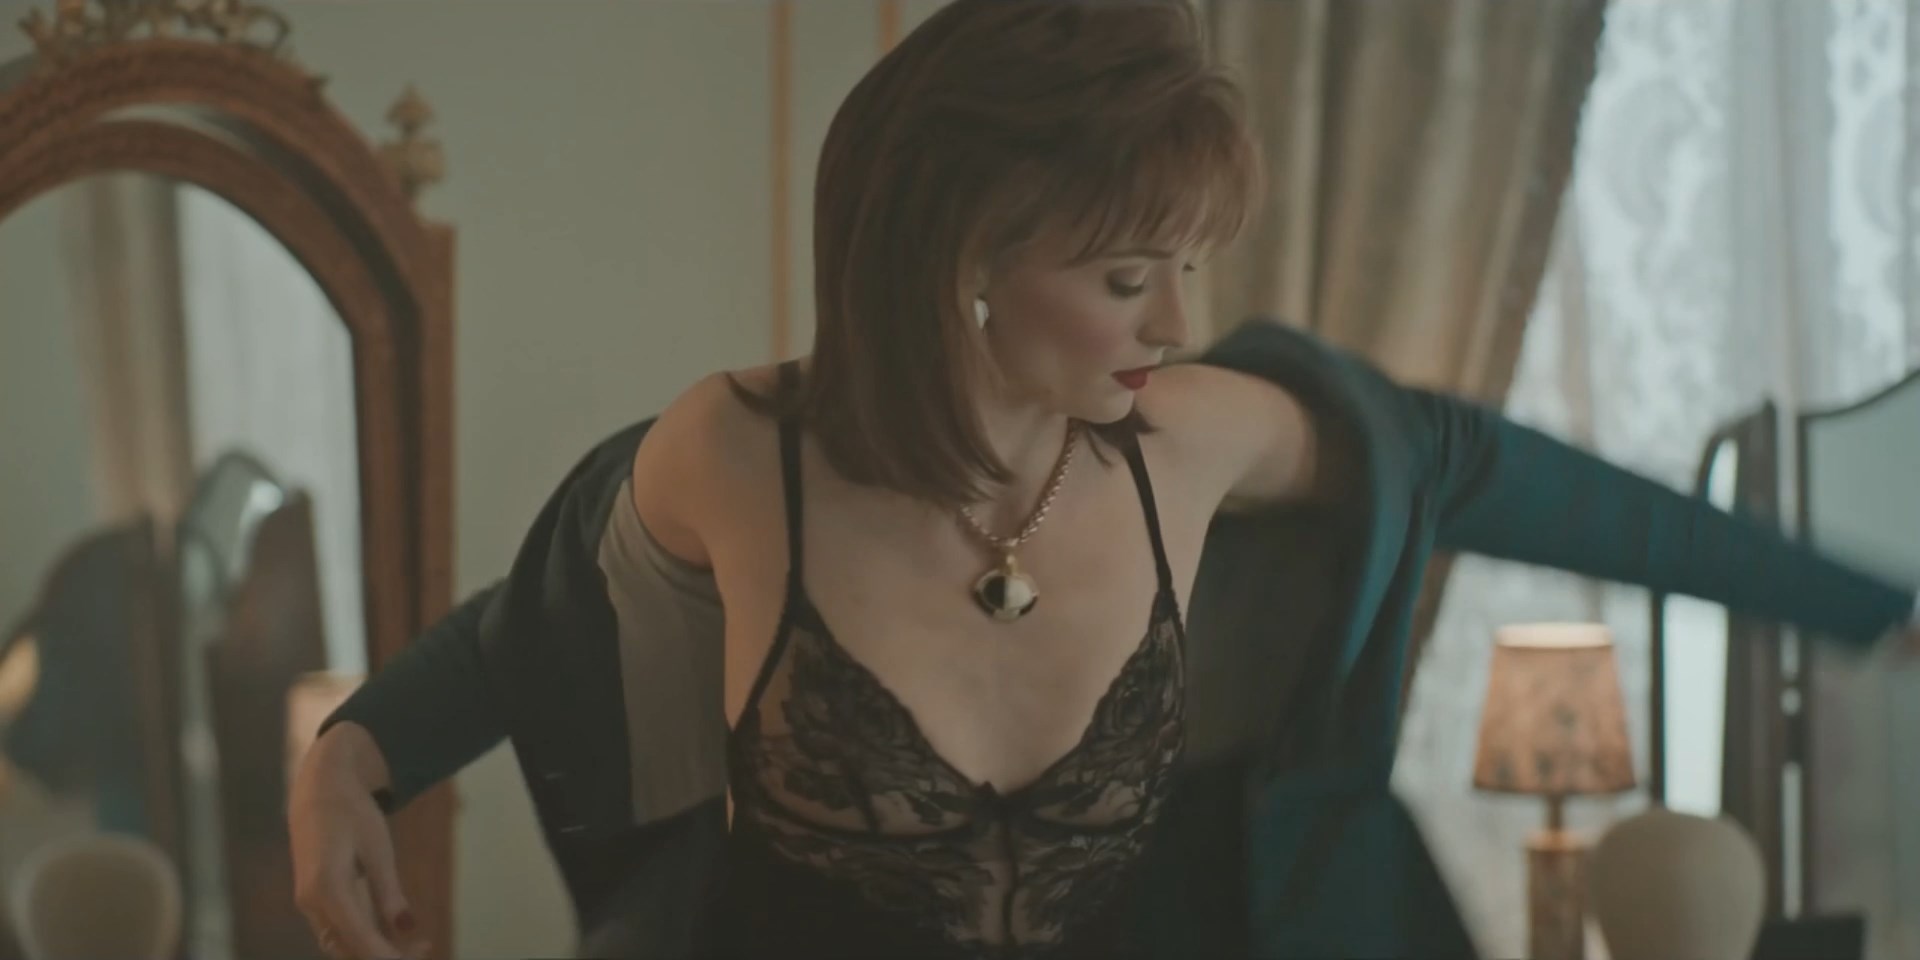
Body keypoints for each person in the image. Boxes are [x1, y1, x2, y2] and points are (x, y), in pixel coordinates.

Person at [288, 2, 1920, 958]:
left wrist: (1867, 606)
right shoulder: (736, 451)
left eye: (1190, 267)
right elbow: (538, 624)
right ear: (964, 260)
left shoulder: (1193, 443)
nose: (1181, 323)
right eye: (1133, 277)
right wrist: (347, 761)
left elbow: (1493, 473)